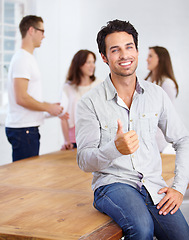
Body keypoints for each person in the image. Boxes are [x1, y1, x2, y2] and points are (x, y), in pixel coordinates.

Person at [75, 19, 189, 239]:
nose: (124, 55)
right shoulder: (90, 102)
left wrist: (179, 186)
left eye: (129, 47)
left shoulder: (157, 94)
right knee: (141, 227)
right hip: (112, 184)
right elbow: (84, 160)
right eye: (115, 50)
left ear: (137, 50)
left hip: (153, 184)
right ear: (104, 58)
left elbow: (182, 139)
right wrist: (115, 149)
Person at [5, 15, 63, 162]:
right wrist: (47, 107)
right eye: (41, 31)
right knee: (24, 179)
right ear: (31, 30)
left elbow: (27, 96)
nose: (44, 36)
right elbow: (21, 97)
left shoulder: (27, 58)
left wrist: (50, 108)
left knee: (26, 177)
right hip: (23, 130)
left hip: (26, 129)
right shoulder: (22, 59)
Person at [60, 49, 102, 150]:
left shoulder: (100, 84)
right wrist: (67, 140)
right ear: (79, 64)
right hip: (75, 139)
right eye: (88, 62)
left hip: (97, 138)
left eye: (93, 62)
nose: (92, 65)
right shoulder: (68, 87)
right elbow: (63, 116)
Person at [145, 46, 179, 152]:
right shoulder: (148, 81)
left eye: (150, 56)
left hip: (158, 139)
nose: (147, 59)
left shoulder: (167, 84)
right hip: (145, 136)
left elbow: (166, 115)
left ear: (160, 59)